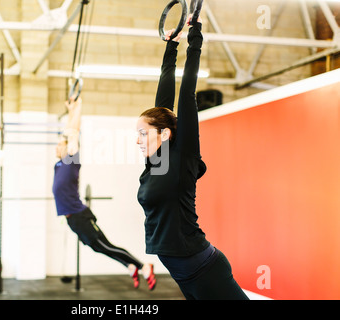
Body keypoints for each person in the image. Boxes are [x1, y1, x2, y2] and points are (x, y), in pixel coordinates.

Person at [136, 15, 249, 300]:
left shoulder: (182, 156)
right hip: (184, 273)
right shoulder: (156, 162)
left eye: (142, 133)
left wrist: (194, 36)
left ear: (163, 135)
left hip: (204, 269)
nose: (137, 140)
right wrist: (170, 46)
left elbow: (186, 94)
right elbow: (162, 104)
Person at [53, 96, 156, 290]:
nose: (57, 146)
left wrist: (78, 107)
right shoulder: (58, 165)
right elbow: (67, 132)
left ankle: (144, 267)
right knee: (99, 248)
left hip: (79, 216)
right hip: (72, 219)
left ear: (69, 148)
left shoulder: (71, 161)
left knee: (106, 246)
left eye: (61, 145)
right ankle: (130, 265)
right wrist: (70, 110)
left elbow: (72, 132)